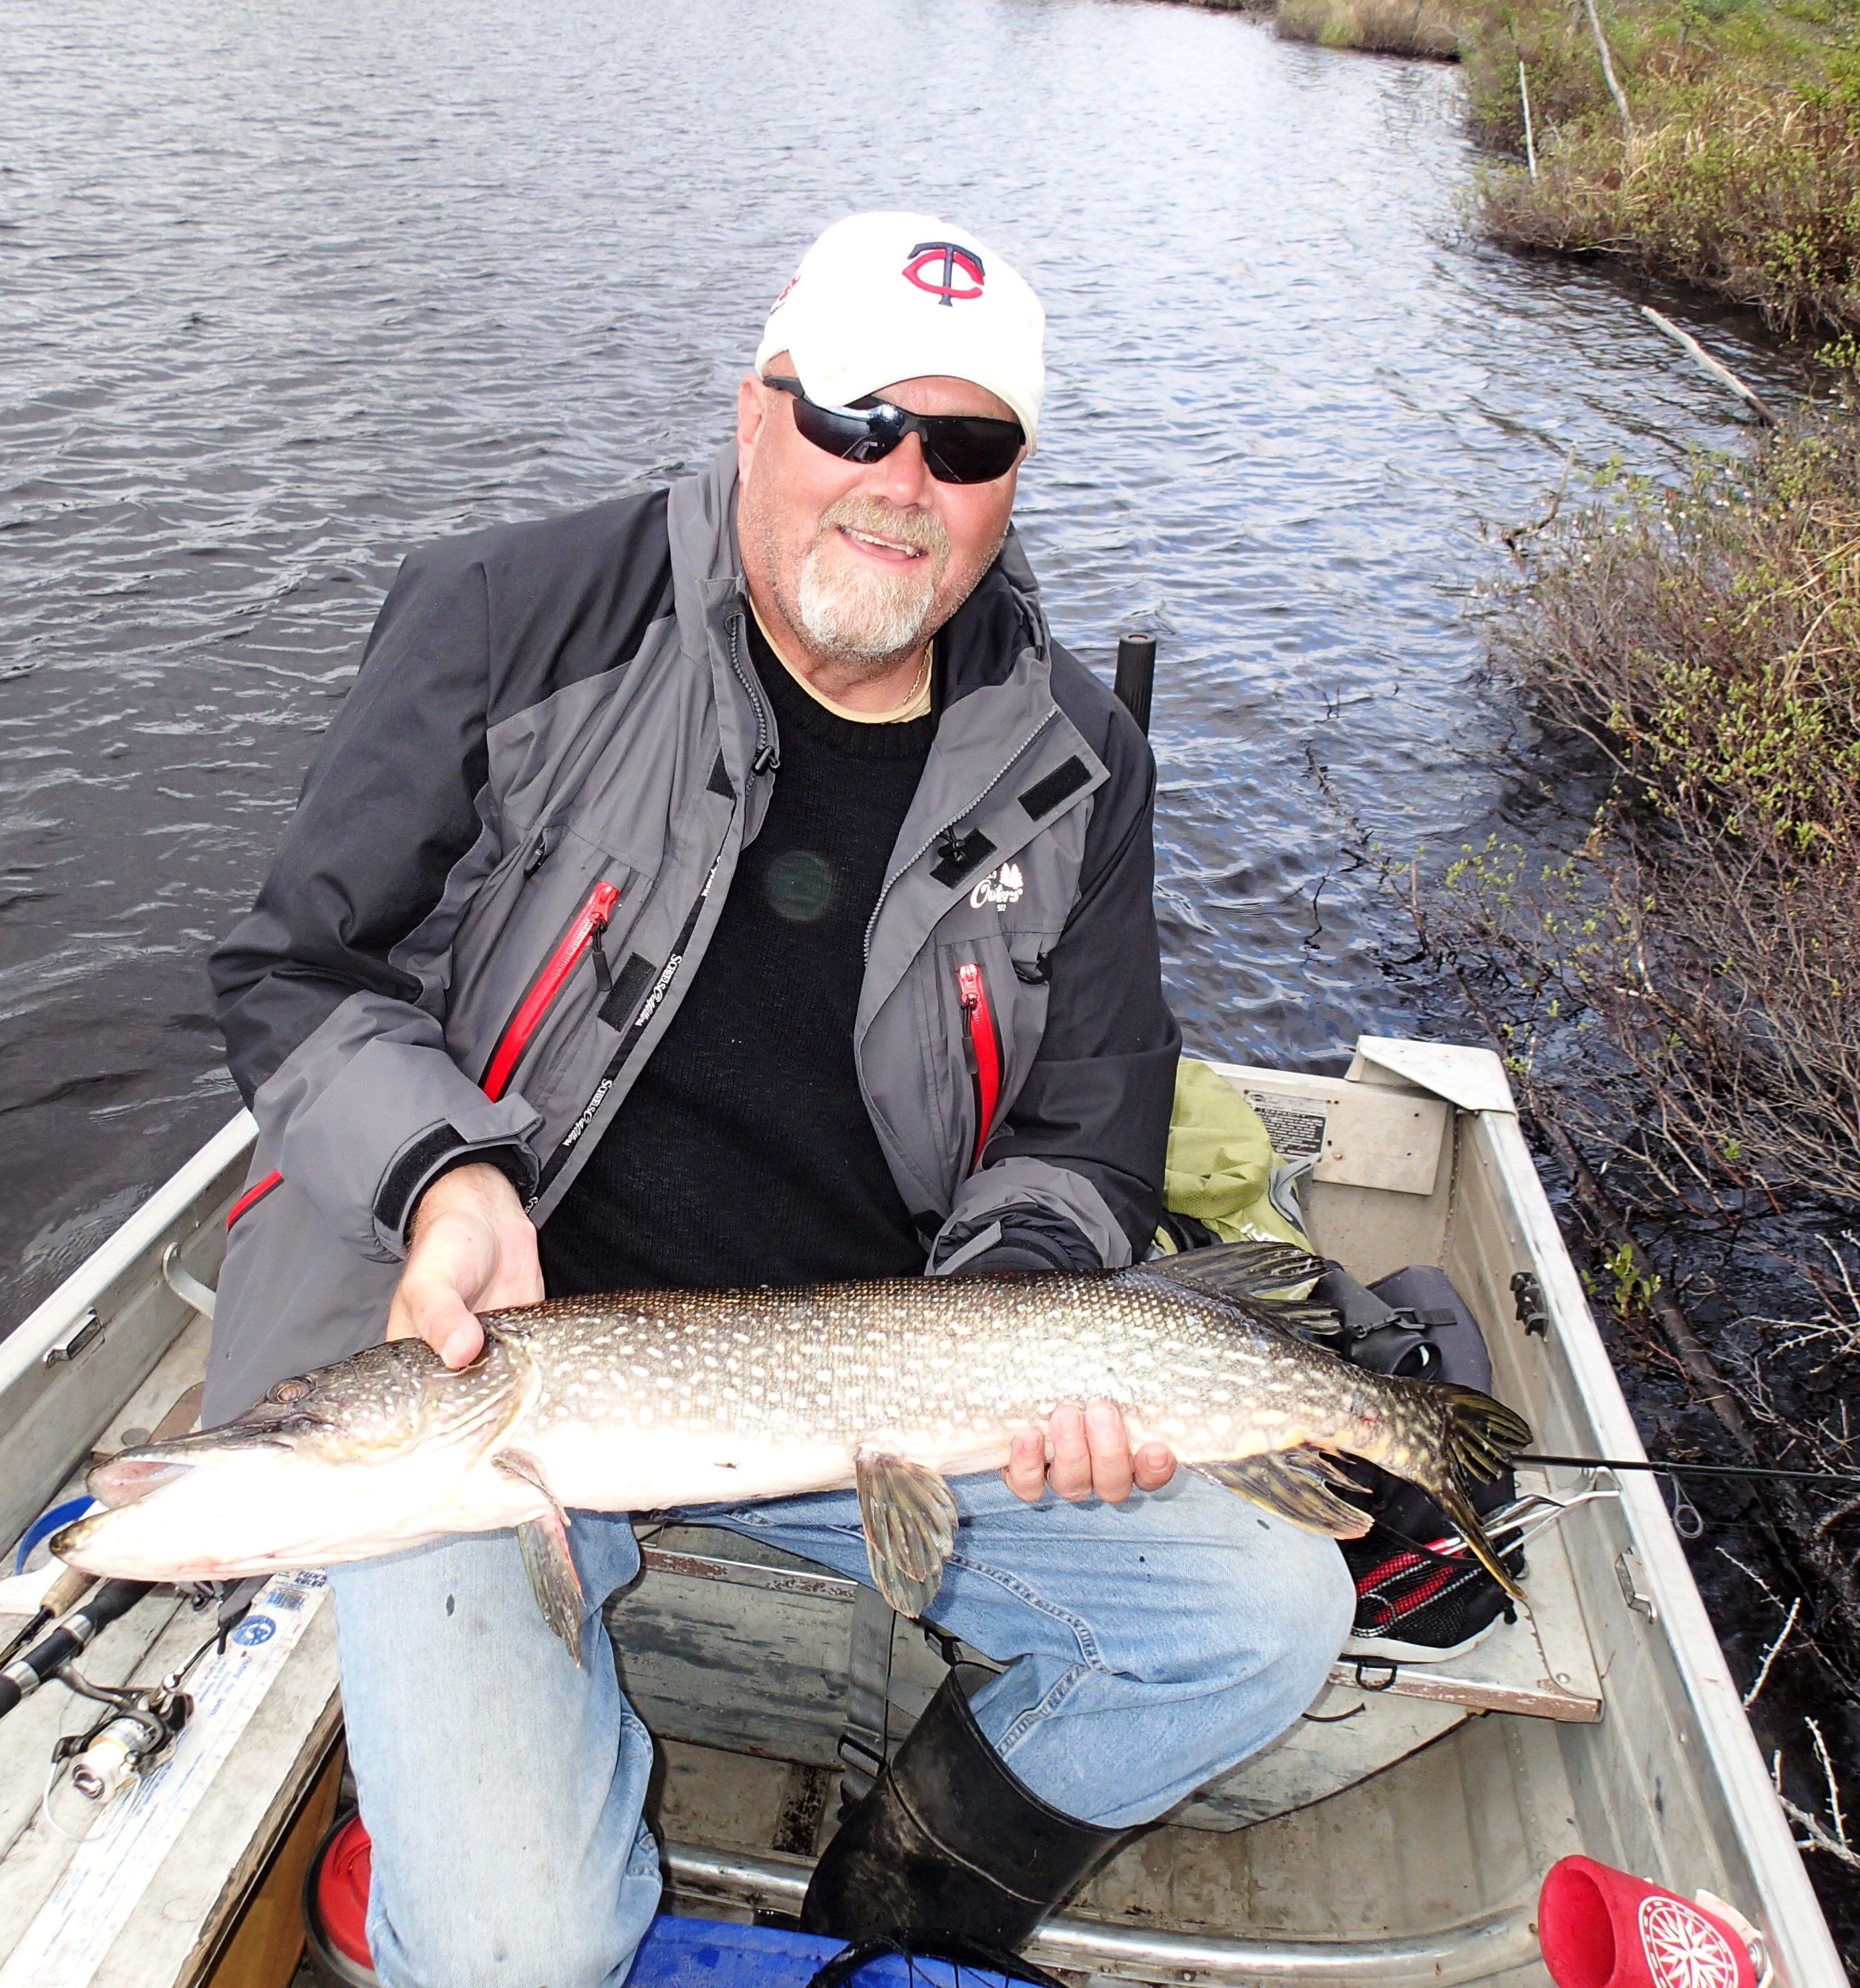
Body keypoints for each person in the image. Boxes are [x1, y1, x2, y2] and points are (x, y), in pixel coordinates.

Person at [203, 211, 1352, 1988]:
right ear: (758, 408)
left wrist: (1011, 1338)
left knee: (1268, 1615)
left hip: (870, 1398)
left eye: (964, 446)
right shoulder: (513, 614)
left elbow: (1089, 1126)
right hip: (477, 1368)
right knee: (516, 1957)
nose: (901, 483)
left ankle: (900, 1904)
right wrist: (443, 1183)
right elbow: (296, 972)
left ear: (1011, 484)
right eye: (853, 417)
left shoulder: (1080, 762)